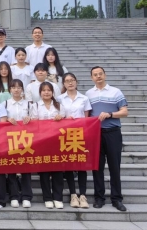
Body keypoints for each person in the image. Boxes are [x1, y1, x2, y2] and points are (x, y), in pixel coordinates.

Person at [86, 66, 128, 211]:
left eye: (100, 74)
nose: (98, 76)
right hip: (96, 134)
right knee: (97, 167)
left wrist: (110, 114)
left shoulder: (115, 92)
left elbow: (124, 112)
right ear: (91, 78)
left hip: (113, 133)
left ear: (105, 75)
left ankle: (117, 199)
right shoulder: (88, 94)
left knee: (114, 166)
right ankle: (99, 198)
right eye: (95, 75)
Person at [58, 73, 91, 209]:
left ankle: (82, 195)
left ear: (76, 82)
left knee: (81, 164)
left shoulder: (84, 98)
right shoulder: (59, 99)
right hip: (65, 135)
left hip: (80, 134)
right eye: (67, 81)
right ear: (64, 84)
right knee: (69, 164)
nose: (70, 83)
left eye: (72, 80)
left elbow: (87, 118)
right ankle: (73, 194)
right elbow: (58, 116)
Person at [31, 82, 66, 209]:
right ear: (40, 93)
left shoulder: (59, 106)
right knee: (44, 171)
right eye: (44, 90)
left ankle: (58, 197)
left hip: (57, 141)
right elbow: (34, 123)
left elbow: (66, 122)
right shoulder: (35, 106)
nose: (46, 92)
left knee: (57, 170)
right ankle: (47, 198)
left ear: (53, 92)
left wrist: (60, 118)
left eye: (49, 90)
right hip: (42, 142)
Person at [4, 79, 33, 208]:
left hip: (26, 139)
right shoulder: (5, 104)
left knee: (26, 168)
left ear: (22, 89)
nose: (16, 90)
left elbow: (35, 120)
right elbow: (1, 120)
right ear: (10, 89)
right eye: (13, 87)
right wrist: (7, 120)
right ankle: (14, 196)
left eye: (19, 87)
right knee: (11, 168)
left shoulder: (29, 104)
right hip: (10, 139)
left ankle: (26, 196)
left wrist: (29, 118)